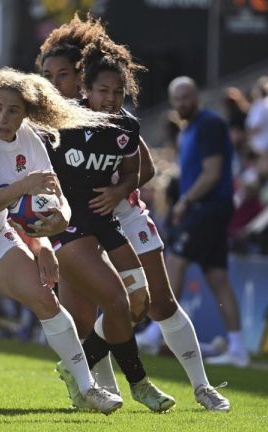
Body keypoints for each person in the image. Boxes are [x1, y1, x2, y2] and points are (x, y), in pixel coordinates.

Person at [38, 15, 231, 412]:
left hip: (122, 216)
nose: (53, 84)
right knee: (88, 315)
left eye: (61, 75)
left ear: (82, 76)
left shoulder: (116, 118)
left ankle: (202, 386)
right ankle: (101, 394)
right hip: (77, 222)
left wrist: (118, 190)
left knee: (156, 302)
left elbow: (143, 167)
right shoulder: (56, 116)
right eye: (47, 75)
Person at [0, 67, 123, 415]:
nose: (2, 117)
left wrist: (54, 230)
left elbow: (54, 193)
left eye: (13, 110)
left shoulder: (29, 140)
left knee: (45, 299)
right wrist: (21, 187)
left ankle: (87, 387)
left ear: (26, 113)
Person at [40, 34, 176, 413]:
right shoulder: (62, 117)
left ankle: (76, 367)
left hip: (104, 222)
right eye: (103, 90)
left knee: (137, 302)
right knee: (114, 300)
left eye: (118, 92)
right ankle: (141, 384)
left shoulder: (127, 128)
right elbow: (7, 126)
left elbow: (135, 171)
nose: (110, 99)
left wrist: (119, 194)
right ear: (87, 89)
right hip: (67, 226)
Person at [166, 76, 249, 367]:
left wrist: (185, 201)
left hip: (209, 207)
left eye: (187, 97)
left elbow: (212, 173)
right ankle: (238, 348)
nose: (183, 103)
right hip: (205, 207)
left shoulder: (210, 124)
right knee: (217, 277)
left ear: (197, 96)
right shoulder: (186, 130)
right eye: (178, 99)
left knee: (175, 261)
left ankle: (158, 333)